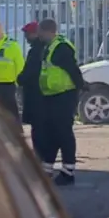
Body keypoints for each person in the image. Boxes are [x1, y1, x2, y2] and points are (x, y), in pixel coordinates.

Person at [38, 18, 85, 186]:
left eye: (41, 32)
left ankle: (68, 171)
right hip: (53, 95)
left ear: (48, 31)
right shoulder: (50, 46)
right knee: (52, 132)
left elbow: (72, 69)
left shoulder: (60, 47)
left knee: (63, 132)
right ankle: (48, 168)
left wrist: (82, 86)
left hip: (64, 95)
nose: (39, 35)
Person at [0, 20, 25, 120]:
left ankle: (15, 133)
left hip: (6, 86)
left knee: (10, 115)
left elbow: (20, 66)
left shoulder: (12, 45)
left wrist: (18, 83)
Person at [17, 21, 45, 159]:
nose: (26, 37)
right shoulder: (44, 48)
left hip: (35, 94)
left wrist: (20, 79)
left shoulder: (35, 51)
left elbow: (30, 72)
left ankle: (39, 155)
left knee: (38, 129)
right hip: (42, 93)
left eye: (27, 34)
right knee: (41, 127)